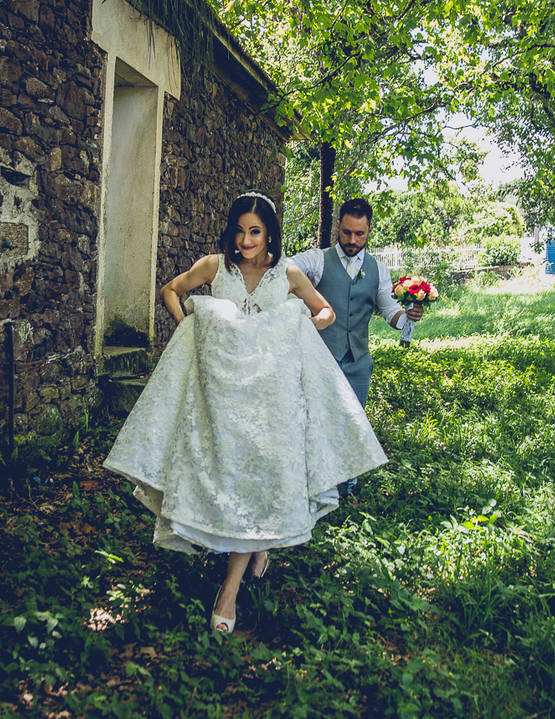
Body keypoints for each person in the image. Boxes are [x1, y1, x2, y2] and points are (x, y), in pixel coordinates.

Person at [103, 192, 387, 634]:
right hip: (221, 396)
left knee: (260, 477)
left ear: (269, 232)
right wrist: (191, 328)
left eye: (254, 231)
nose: (245, 239)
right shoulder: (215, 266)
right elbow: (171, 290)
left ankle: (229, 590)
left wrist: (294, 331)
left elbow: (324, 310)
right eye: (239, 230)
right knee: (229, 473)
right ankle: (256, 549)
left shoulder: (287, 273)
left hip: (270, 399)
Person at [290, 198, 425, 497]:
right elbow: (282, 269)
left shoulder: (379, 270)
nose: (352, 240)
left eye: (359, 234)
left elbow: (389, 310)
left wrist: (408, 317)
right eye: (347, 232)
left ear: (369, 231)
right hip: (318, 359)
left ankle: (345, 490)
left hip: (357, 363)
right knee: (315, 423)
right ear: (338, 226)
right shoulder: (316, 260)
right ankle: (311, 489)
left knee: (352, 426)